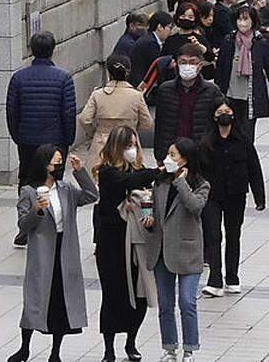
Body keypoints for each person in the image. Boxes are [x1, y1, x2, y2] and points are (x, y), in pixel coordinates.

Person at [9, 146, 98, 362]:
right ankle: (25, 347)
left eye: (61, 162)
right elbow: (23, 224)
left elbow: (91, 195)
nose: (59, 166)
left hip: (64, 251)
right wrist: (37, 210)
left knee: (60, 302)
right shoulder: (29, 191)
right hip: (42, 253)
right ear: (44, 164)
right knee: (35, 300)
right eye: (55, 162)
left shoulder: (66, 189)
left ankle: (55, 352)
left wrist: (80, 172)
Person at [92, 126, 160, 362]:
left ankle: (131, 342)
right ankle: (109, 349)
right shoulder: (107, 172)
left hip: (137, 241)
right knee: (112, 294)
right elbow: (127, 180)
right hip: (112, 243)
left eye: (134, 144)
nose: (132, 150)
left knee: (139, 295)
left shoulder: (138, 170)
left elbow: (147, 194)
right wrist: (158, 171)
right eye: (127, 145)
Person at [7, 31, 77, 248]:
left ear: (31, 49)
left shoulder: (18, 77)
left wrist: (18, 136)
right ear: (53, 49)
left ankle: (25, 227)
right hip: (55, 140)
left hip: (27, 139)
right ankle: (53, 223)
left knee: (26, 181)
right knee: (54, 182)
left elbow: (12, 111)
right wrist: (68, 140)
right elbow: (68, 112)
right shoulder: (64, 78)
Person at [146, 139, 210, 360]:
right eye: (168, 154)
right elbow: (152, 207)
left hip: (188, 251)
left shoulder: (201, 184)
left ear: (185, 159)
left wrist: (181, 183)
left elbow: (195, 206)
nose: (167, 159)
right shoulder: (160, 183)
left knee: (187, 301)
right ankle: (170, 347)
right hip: (162, 250)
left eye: (172, 155)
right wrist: (148, 218)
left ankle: (190, 348)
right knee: (165, 304)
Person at [199, 103, 265, 298]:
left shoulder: (243, 140)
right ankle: (215, 279)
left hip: (236, 194)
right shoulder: (205, 142)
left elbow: (254, 168)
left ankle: (233, 277)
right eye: (220, 112)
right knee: (212, 235)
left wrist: (259, 196)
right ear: (213, 116)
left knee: (233, 234)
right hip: (211, 195)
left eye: (227, 112)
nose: (224, 115)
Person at [74, 55, 153, 172]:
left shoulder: (98, 94)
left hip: (102, 141)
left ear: (109, 73)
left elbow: (84, 119)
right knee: (130, 176)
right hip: (128, 141)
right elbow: (148, 122)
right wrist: (133, 129)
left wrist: (95, 132)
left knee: (98, 178)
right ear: (128, 73)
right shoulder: (136, 95)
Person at [153, 43, 225, 165]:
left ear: (200, 65)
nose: (187, 66)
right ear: (177, 63)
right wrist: (160, 155)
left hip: (201, 153)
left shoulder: (212, 91)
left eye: (192, 62)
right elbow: (160, 124)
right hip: (172, 154)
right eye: (183, 62)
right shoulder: (165, 90)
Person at [214, 5, 269, 141]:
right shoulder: (229, 40)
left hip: (251, 96)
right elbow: (221, 68)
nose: (242, 23)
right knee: (229, 132)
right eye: (239, 19)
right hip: (230, 94)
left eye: (246, 19)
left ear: (253, 21)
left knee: (247, 134)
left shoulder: (260, 42)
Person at [130, 11, 173, 88]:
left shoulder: (149, 38)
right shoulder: (151, 43)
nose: (170, 32)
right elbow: (157, 68)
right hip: (140, 85)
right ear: (160, 27)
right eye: (169, 27)